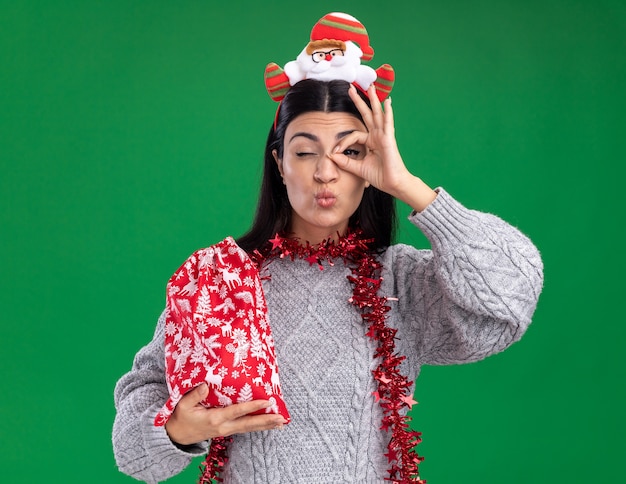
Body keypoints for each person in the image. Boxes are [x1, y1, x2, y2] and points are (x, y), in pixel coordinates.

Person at [113, 14, 543, 484]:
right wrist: (174, 430)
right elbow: (135, 450)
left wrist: (407, 185)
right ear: (279, 163)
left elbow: (510, 299)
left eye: (349, 151)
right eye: (304, 151)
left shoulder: (401, 281)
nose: (325, 172)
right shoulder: (221, 278)